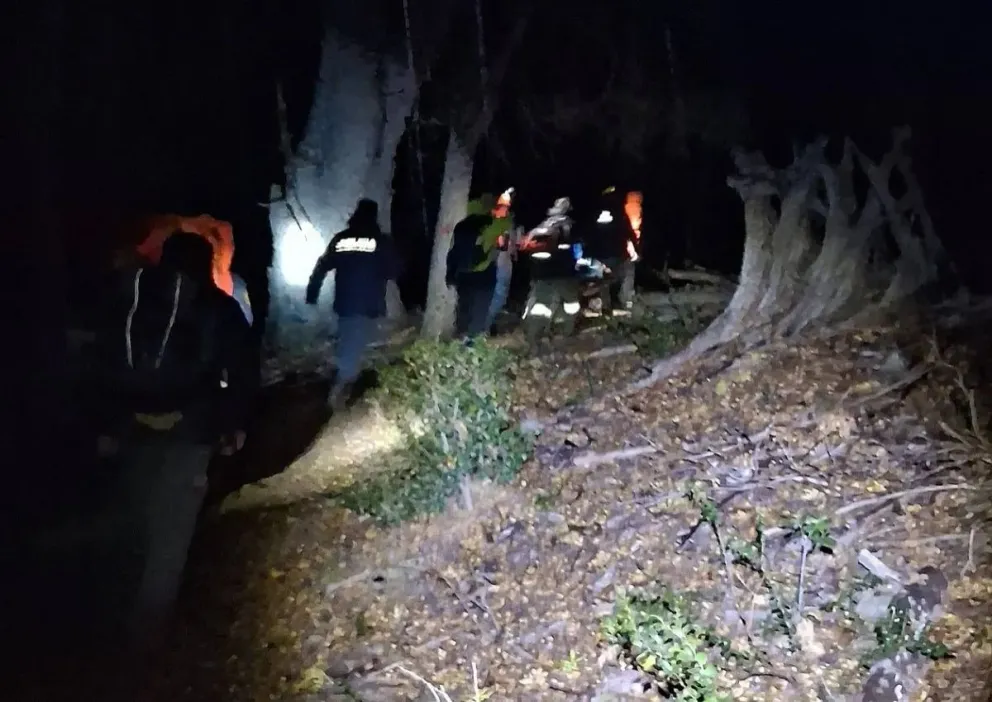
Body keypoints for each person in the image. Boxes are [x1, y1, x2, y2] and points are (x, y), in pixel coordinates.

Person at [91, 231, 254, 647]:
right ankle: (148, 631)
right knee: (172, 530)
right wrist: (234, 425)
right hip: (192, 428)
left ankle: (112, 617)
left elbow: (100, 364)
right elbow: (241, 370)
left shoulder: (129, 301)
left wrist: (105, 427)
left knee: (138, 515)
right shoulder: (220, 308)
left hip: (131, 426)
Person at [306, 199, 399, 410]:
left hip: (345, 303)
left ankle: (346, 381)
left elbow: (321, 266)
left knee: (350, 341)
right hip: (369, 304)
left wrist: (312, 294)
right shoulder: (381, 241)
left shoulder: (341, 239)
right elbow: (394, 271)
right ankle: (339, 394)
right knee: (353, 348)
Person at [518, 197, 584, 344]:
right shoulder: (569, 226)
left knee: (541, 304)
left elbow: (524, 246)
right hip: (564, 272)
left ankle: (534, 335)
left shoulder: (540, 227)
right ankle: (567, 333)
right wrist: (579, 263)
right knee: (571, 303)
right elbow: (577, 247)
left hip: (542, 273)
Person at [446, 194, 499, 338]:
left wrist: (450, 274)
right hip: (484, 273)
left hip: (462, 273)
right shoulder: (490, 224)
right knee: (480, 309)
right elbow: (495, 248)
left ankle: (460, 337)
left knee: (464, 307)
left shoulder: (460, 226)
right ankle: (472, 343)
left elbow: (453, 251)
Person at [587, 187, 640, 316]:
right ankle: (625, 302)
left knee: (604, 280)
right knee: (625, 274)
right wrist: (635, 250)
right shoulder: (620, 213)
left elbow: (587, 234)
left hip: (600, 256)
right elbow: (630, 233)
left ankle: (605, 306)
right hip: (617, 254)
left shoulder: (593, 214)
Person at [485, 188, 518, 330]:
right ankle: (485, 327)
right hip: (499, 263)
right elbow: (502, 245)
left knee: (498, 296)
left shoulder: (507, 221)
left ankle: (488, 325)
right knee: (498, 295)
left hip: (502, 263)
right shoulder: (498, 220)